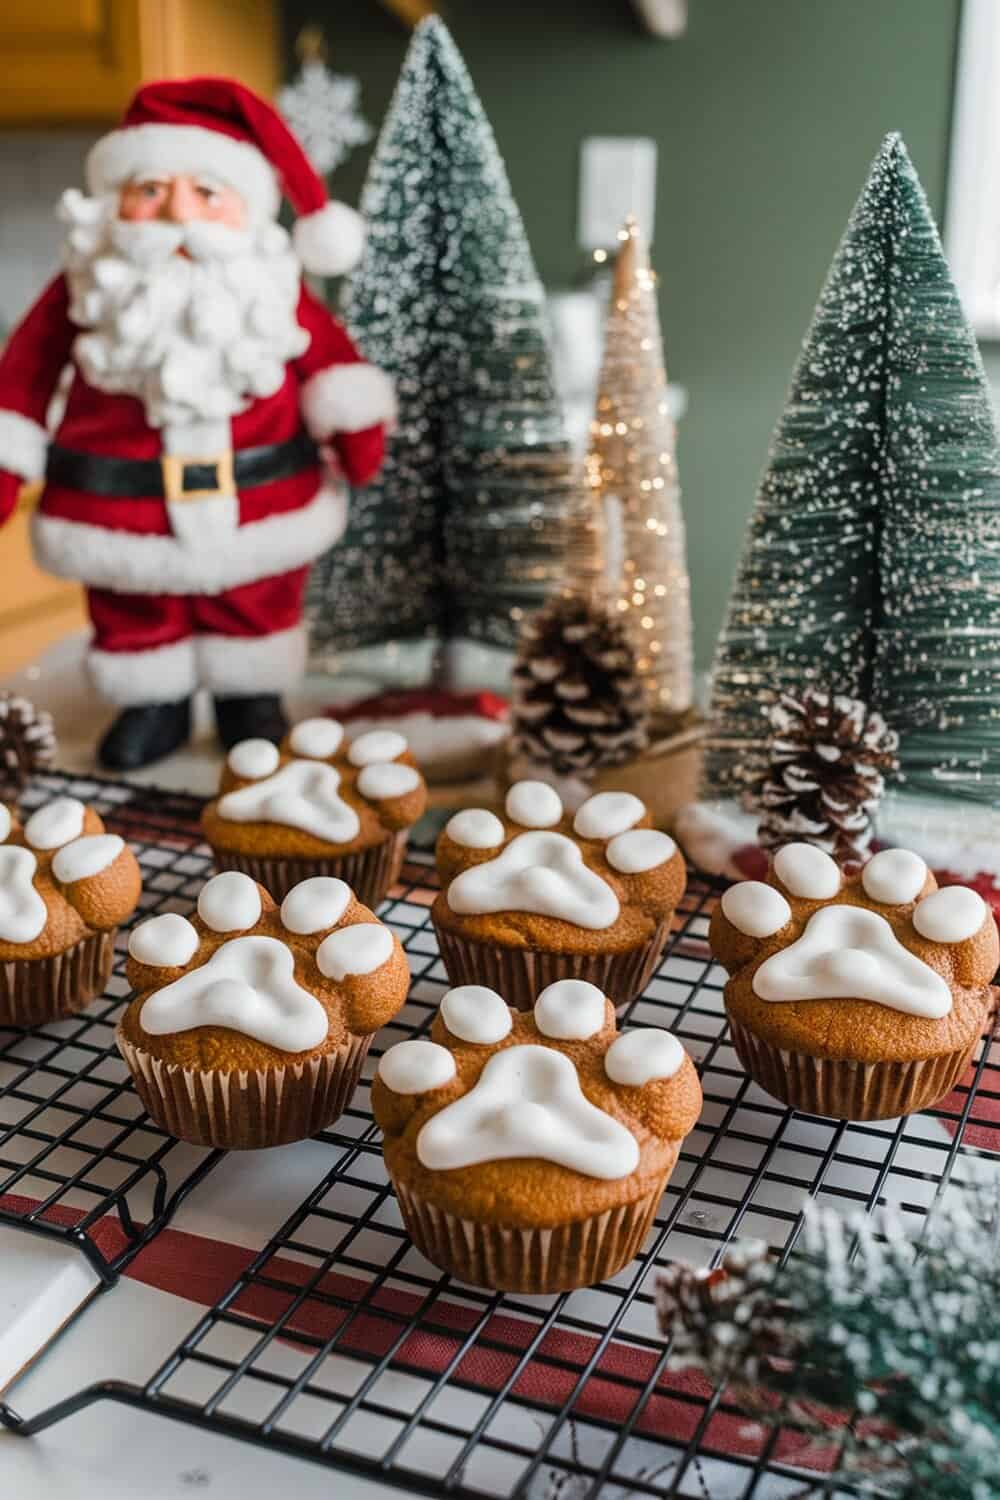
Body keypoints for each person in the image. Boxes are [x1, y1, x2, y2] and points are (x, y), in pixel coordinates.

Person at [0, 77, 394, 769]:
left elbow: (333, 365)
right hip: (122, 512)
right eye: (150, 190)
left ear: (246, 209)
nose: (178, 213)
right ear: (113, 202)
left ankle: (251, 700)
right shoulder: (89, 286)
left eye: (207, 193)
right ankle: (154, 703)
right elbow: (22, 379)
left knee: (258, 601)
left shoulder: (271, 286)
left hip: (261, 503)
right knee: (133, 608)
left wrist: (356, 431)